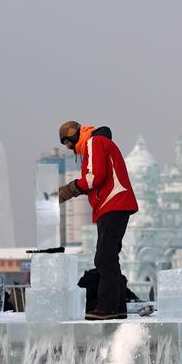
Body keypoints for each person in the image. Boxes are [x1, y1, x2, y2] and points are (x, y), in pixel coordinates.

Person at [57, 121, 138, 320]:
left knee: (104, 258)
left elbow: (95, 177)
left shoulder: (95, 142)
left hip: (114, 203)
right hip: (112, 206)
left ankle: (107, 308)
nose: (68, 148)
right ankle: (117, 307)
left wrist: (69, 190)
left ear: (75, 134)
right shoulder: (97, 144)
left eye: (67, 142)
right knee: (109, 257)